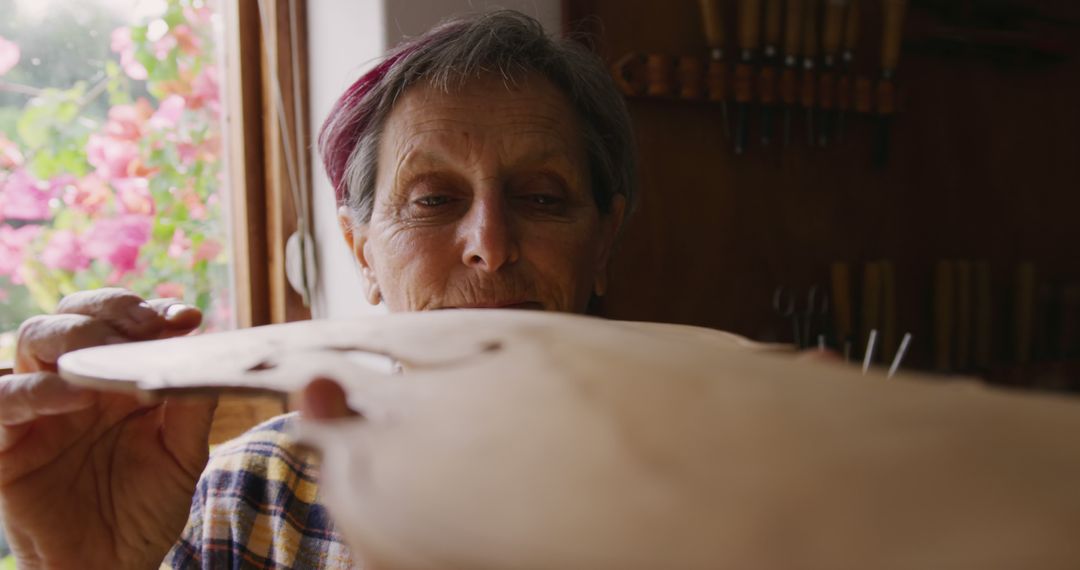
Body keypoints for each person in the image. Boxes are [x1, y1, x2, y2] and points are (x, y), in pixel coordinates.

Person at [0, 10, 635, 568]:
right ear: (361, 252)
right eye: (435, 200)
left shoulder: (719, 488)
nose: (490, 247)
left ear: (603, 243)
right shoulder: (251, 497)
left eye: (543, 198)